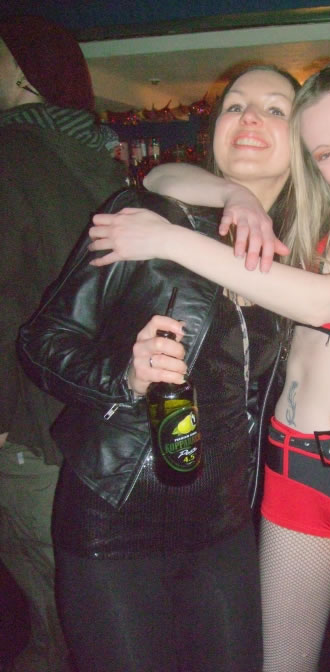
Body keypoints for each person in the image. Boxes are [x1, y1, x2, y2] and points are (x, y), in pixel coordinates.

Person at [84, 63, 330, 672]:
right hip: (295, 469)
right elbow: (163, 175)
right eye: (324, 153)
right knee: (279, 662)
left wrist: (167, 239)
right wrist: (237, 195)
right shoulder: (309, 222)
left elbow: (328, 302)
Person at [16, 65, 303, 672]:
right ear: (215, 129)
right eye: (235, 105)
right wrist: (124, 377)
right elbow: (42, 340)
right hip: (114, 517)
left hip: (225, 522)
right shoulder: (145, 219)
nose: (251, 117)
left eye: (275, 109)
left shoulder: (299, 250)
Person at [0, 15, 126, 672]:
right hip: (95, 422)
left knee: (54, 612)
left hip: (24, 422)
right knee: (89, 598)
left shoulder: (10, 154)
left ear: (25, 73)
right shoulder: (98, 156)